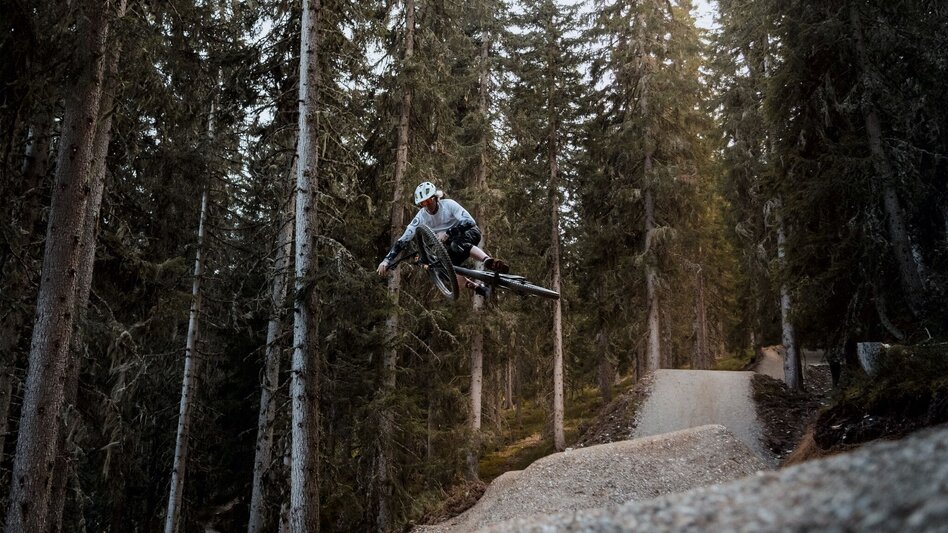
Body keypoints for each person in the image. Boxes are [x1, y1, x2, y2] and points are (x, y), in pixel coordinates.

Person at [377, 181, 508, 297]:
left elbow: (470, 222)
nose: (427, 205)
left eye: (429, 201)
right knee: (444, 270)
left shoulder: (449, 205)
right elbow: (403, 241)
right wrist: (386, 260)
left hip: (469, 233)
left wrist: (449, 232)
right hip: (450, 245)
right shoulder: (420, 218)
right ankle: (478, 288)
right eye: (423, 203)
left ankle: (488, 261)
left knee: (456, 243)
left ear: (436, 198)